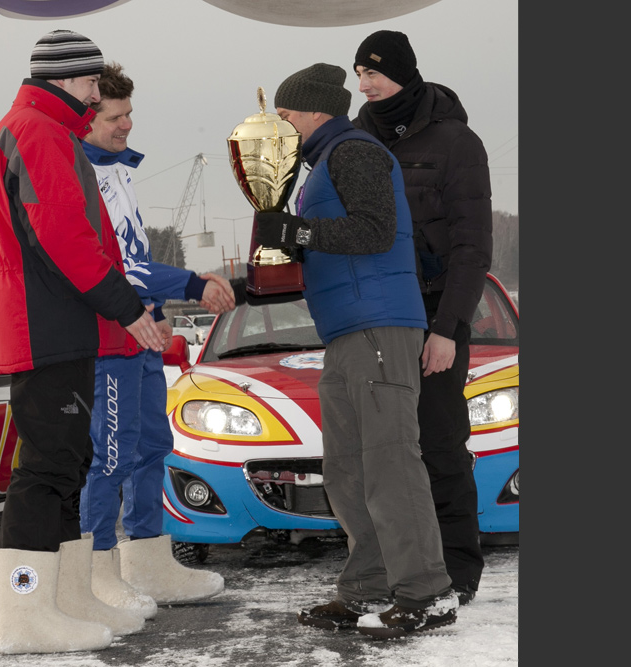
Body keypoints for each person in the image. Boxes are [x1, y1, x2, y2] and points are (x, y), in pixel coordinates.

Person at [0, 29, 168, 654]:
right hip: (43, 326)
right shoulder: (36, 133)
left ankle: (68, 597)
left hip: (57, 324)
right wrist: (127, 307)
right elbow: (62, 236)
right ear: (61, 79)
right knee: (46, 468)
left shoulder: (45, 130)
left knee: (68, 462)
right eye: (88, 82)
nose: (93, 95)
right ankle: (25, 613)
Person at [253, 63, 457, 640]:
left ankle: (427, 592)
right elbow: (336, 242)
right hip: (347, 332)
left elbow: (373, 230)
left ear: (317, 111)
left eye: (287, 115)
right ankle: (367, 587)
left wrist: (297, 233)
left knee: (391, 462)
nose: (281, 126)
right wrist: (279, 256)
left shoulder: (354, 152)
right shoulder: (323, 162)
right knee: (348, 471)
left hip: (378, 327)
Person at [78, 62, 233, 611]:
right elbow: (114, 267)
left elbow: (135, 250)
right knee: (111, 456)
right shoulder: (80, 173)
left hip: (140, 332)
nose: (126, 125)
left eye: (129, 114)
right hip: (105, 337)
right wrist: (193, 283)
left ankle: (147, 562)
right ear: (87, 118)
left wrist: (159, 308)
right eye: (115, 117)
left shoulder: (117, 167)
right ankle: (95, 573)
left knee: (152, 447)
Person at [351, 30, 493, 606]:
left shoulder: (457, 142)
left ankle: (457, 567)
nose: (364, 84)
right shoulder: (356, 138)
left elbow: (472, 248)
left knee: (439, 440)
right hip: (377, 314)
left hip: (434, 311)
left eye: (374, 72)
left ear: (403, 73)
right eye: (359, 73)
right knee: (383, 447)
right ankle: (397, 565)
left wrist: (447, 329)